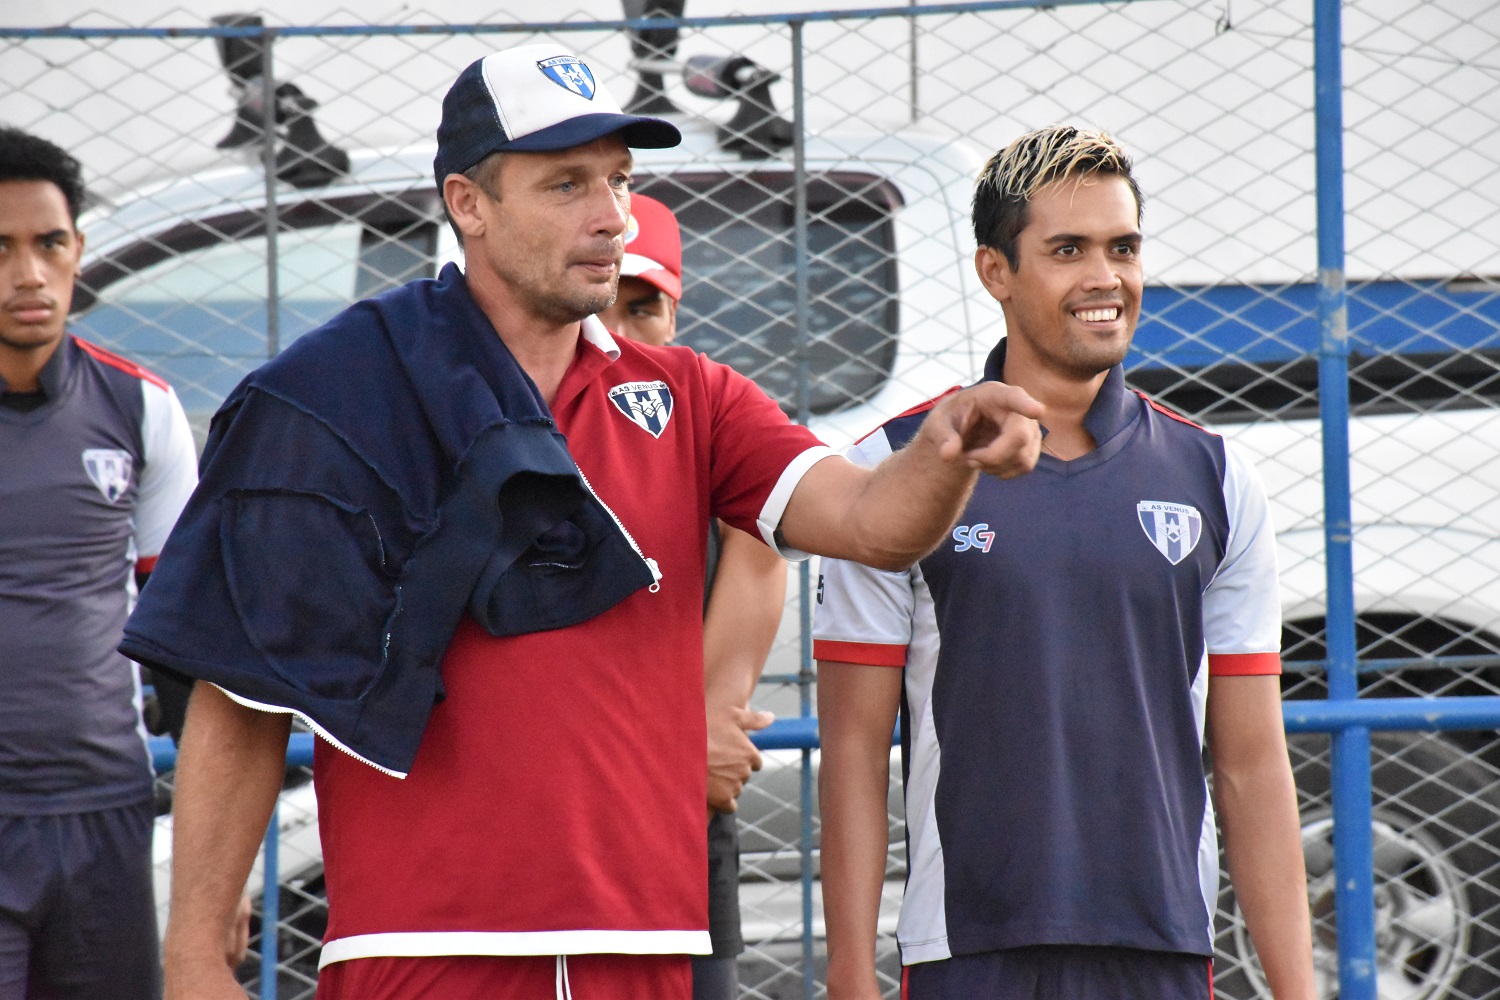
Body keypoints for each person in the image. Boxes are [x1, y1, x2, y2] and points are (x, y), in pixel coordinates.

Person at [121, 43, 1044, 1000]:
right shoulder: (338, 395)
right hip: (418, 953)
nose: (612, 217)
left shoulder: (693, 395)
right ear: (469, 204)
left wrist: (942, 455)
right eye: (567, 184)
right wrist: (193, 959)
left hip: (646, 951)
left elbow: (869, 522)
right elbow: (244, 688)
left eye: (618, 179)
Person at [813, 125, 1316, 1000]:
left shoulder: (1218, 478)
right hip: (968, 948)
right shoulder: (887, 473)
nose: (1104, 278)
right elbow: (852, 750)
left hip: (1161, 944)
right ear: (995, 272)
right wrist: (851, 977)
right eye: (1067, 250)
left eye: (1123, 248)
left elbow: (1250, 762)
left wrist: (1298, 990)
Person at [0, 128, 199, 999]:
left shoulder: (143, 408)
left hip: (104, 821)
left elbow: (190, 649)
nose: (29, 274)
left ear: (78, 248)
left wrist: (204, 878)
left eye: (49, 243)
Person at [596, 192, 783, 999]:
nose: (624, 334)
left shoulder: (704, 419)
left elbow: (762, 542)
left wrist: (710, 716)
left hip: (681, 836)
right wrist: (681, 741)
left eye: (646, 309)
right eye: (606, 307)